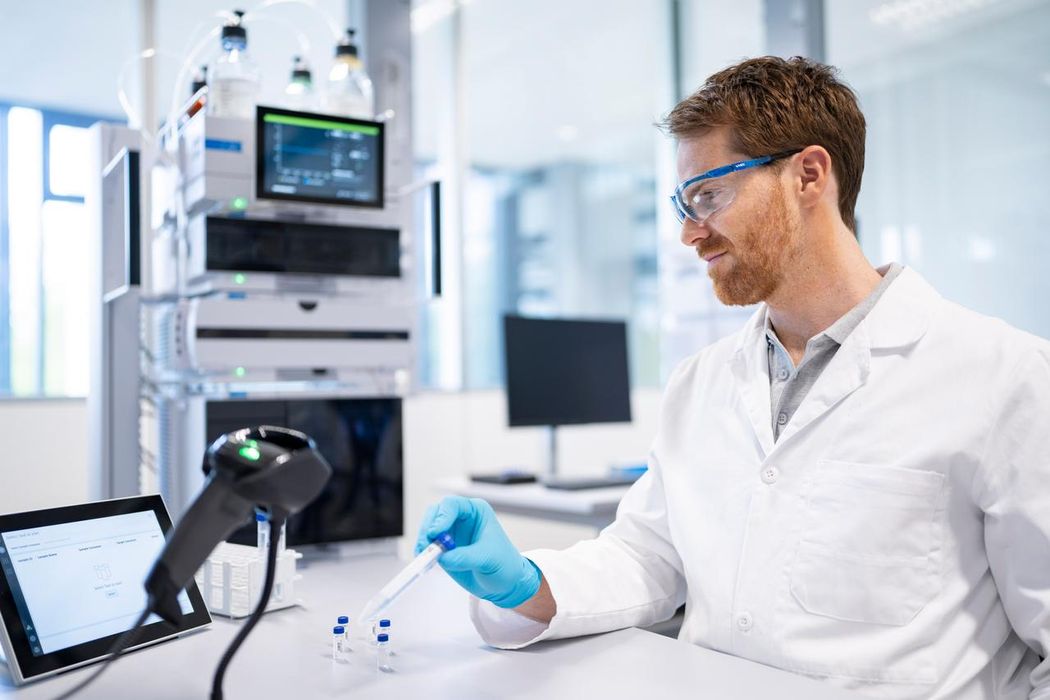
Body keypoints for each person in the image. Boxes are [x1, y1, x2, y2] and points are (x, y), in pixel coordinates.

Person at [416, 56, 1050, 699]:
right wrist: (528, 586)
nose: (691, 234)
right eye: (683, 206)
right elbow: (649, 558)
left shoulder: (1005, 378)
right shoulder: (701, 382)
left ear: (808, 175)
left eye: (710, 196)